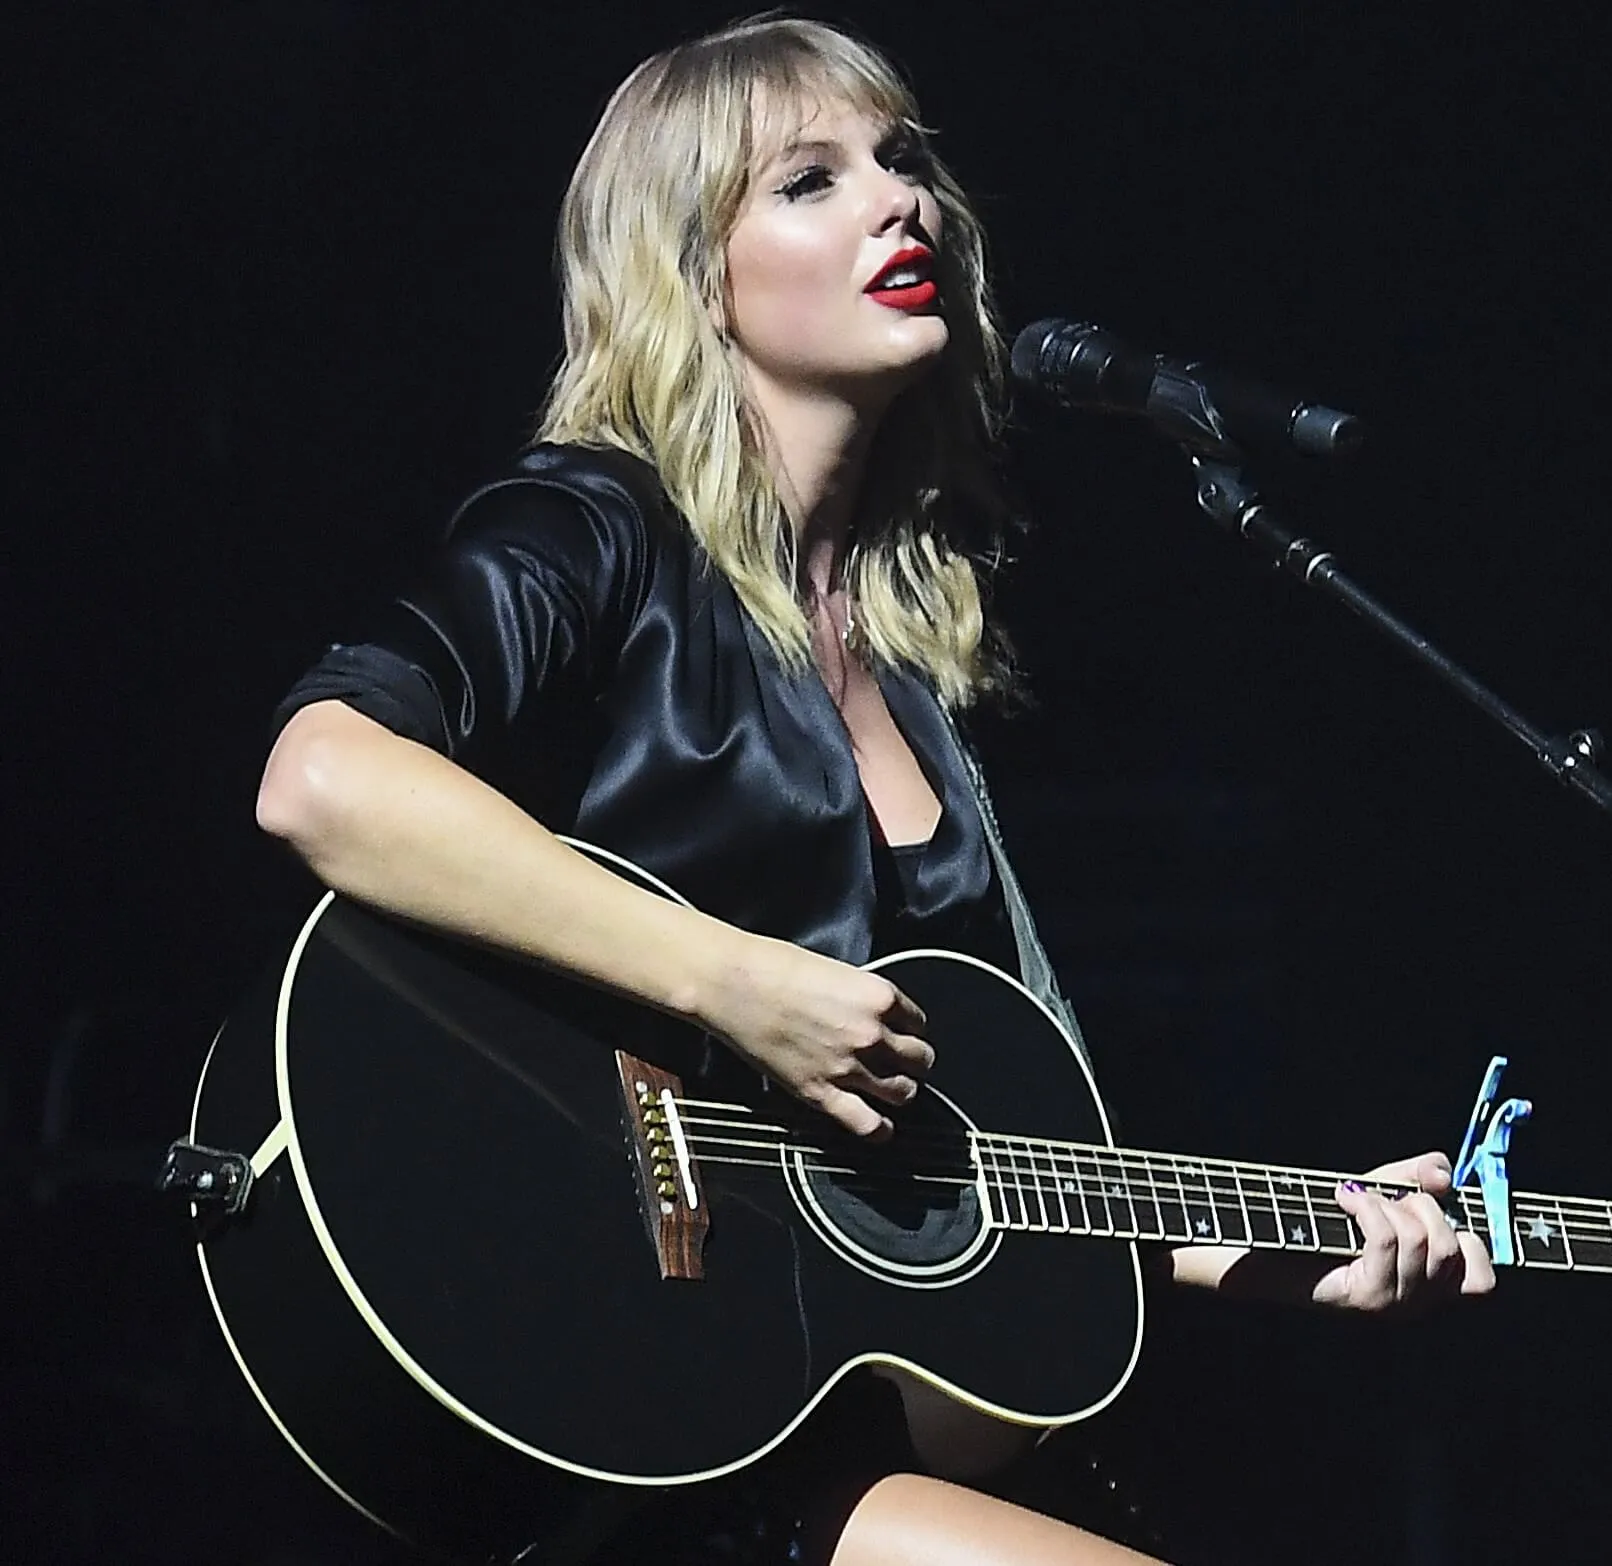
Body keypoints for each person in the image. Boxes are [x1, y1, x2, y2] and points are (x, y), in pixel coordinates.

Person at [255, 15, 1495, 1565]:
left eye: (901, 162)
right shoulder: (595, 527)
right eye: (809, 181)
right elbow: (320, 773)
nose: (898, 200)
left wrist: (1263, 1248)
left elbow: (954, 1173)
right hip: (646, 1407)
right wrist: (727, 979)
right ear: (687, 270)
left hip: (823, 1409)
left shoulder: (921, 666)